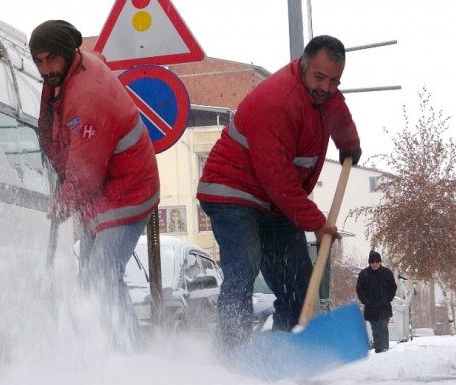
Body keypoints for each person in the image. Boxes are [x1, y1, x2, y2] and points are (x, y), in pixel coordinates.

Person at [196, 35, 363, 351]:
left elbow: (337, 112)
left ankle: (286, 349)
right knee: (244, 267)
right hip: (233, 191)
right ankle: (231, 353)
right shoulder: (278, 101)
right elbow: (278, 179)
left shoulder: (325, 97)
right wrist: (316, 221)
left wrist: (349, 144)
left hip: (274, 203)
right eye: (320, 77)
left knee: (298, 280)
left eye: (334, 80)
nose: (326, 87)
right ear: (303, 64)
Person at [29, 20, 160, 349]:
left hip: (128, 191)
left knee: (102, 276)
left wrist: (62, 206)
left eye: (51, 59)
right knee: (89, 280)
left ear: (66, 54)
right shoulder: (71, 72)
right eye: (39, 61)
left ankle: (128, 357)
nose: (45, 69)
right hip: (104, 190)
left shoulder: (87, 97)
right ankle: (102, 353)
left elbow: (86, 176)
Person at [356, 250, 397, 353]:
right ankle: (379, 349)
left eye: (376, 262)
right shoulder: (364, 274)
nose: (374, 264)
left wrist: (388, 299)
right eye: (372, 262)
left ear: (380, 262)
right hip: (371, 307)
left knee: (383, 326)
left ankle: (383, 348)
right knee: (376, 328)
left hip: (384, 306)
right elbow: (360, 290)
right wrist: (366, 301)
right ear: (369, 262)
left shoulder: (387, 273)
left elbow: (393, 287)